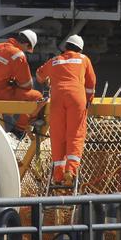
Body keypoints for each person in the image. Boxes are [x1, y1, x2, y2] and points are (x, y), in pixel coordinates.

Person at [37, 34, 95, 187]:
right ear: (80, 49)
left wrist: (49, 79)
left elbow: (39, 75)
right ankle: (71, 170)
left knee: (58, 135)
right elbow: (91, 83)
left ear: (65, 47)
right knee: (75, 134)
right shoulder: (84, 59)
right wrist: (89, 100)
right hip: (77, 99)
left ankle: (58, 174)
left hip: (57, 100)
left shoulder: (55, 61)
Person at [0, 29, 43, 135]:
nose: (26, 51)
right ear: (26, 44)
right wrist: (14, 82)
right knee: (37, 96)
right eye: (28, 49)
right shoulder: (18, 55)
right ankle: (19, 131)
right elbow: (27, 85)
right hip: (1, 94)